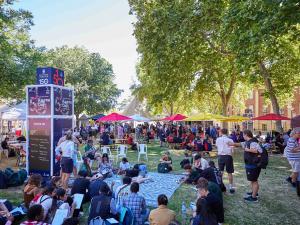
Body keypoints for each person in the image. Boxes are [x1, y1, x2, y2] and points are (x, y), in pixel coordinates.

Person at [228, 130, 263, 202]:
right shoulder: (248, 142)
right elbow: (240, 144)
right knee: (252, 180)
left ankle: (254, 197)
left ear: (246, 135)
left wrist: (248, 149)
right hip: (250, 164)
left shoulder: (253, 142)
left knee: (254, 180)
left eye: (243, 135)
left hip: (253, 165)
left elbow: (258, 151)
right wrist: (231, 144)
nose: (242, 136)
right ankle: (254, 192)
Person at [216, 128, 235, 193]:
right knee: (229, 172)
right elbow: (232, 150)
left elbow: (217, 146)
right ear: (227, 133)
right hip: (228, 156)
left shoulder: (218, 139)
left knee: (221, 172)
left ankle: (220, 186)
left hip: (221, 156)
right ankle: (231, 187)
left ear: (221, 132)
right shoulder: (230, 140)